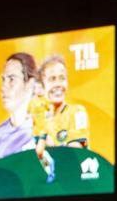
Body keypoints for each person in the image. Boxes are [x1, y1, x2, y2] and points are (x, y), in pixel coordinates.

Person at [33, 54, 89, 182]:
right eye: (52, 79)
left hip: (75, 184)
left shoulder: (77, 112)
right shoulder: (39, 119)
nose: (58, 84)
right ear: (42, 86)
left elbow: (78, 148)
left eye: (62, 78)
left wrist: (52, 145)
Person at [0, 52, 39, 160]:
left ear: (29, 83)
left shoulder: (47, 127)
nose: (3, 87)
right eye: (3, 80)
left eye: (11, 79)